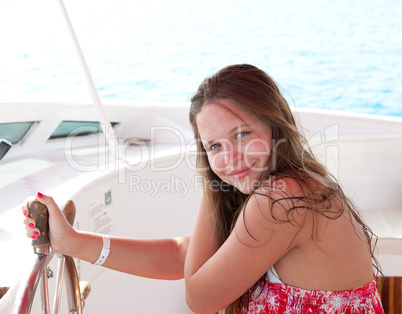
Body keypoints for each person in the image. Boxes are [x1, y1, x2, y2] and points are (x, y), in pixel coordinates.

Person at [22, 64, 384, 313]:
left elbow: (200, 297)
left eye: (241, 134)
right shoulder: (286, 186)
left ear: (276, 127)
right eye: (214, 147)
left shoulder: (283, 198)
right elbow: (187, 256)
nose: (231, 157)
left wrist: (216, 182)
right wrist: (73, 242)